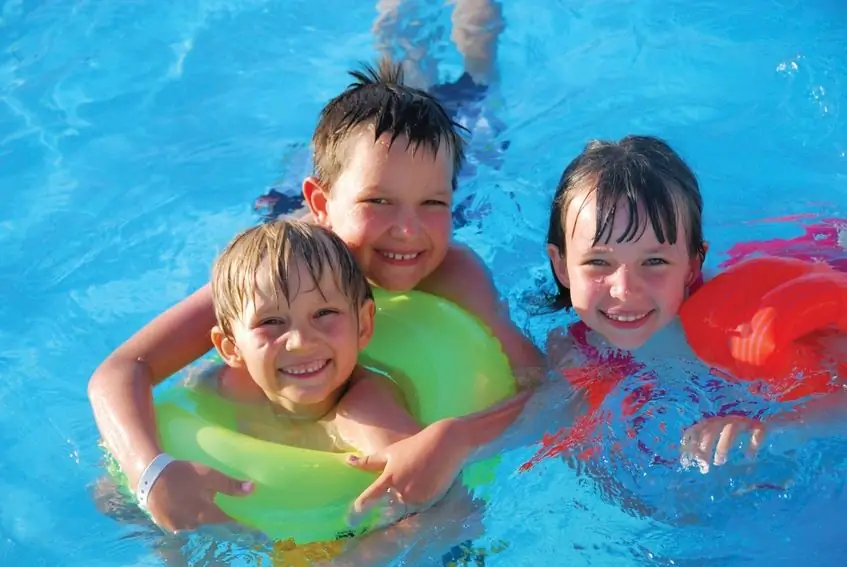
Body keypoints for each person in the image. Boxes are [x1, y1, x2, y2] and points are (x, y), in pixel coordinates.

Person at [87, 57, 542, 534]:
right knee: (112, 495)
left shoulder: (455, 275)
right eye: (377, 201)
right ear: (322, 204)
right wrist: (149, 472)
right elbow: (121, 371)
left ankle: (477, 34)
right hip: (286, 215)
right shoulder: (278, 269)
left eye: (433, 203)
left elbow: (546, 391)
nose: (407, 231)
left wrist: (457, 437)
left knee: (473, 84)